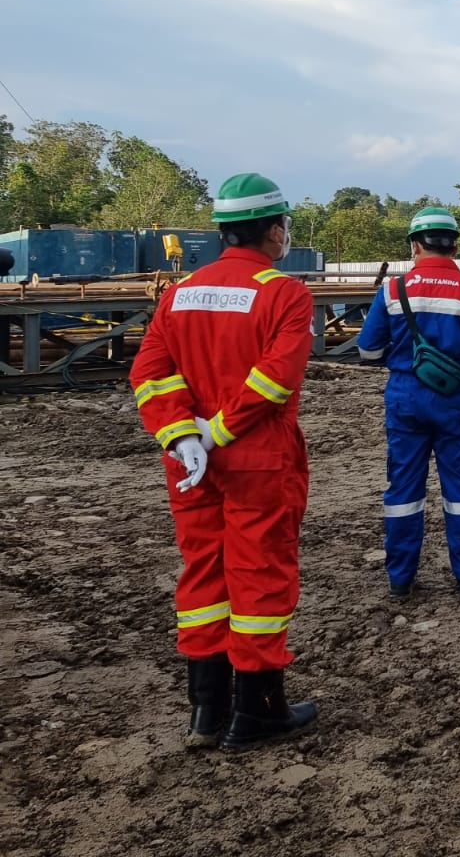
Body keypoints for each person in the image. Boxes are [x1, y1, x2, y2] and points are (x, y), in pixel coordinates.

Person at [129, 172, 317, 751]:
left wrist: (181, 435)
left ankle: (207, 712)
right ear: (274, 229)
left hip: (190, 465)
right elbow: (274, 382)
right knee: (259, 577)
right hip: (255, 456)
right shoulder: (284, 293)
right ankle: (258, 710)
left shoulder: (180, 293)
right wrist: (219, 431)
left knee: (203, 572)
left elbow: (150, 373)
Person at [356, 207, 460, 602]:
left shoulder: (393, 290)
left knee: (404, 489)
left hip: (406, 398)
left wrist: (403, 357)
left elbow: (368, 351)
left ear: (415, 245)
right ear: (455, 245)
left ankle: (401, 580)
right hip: (458, 401)